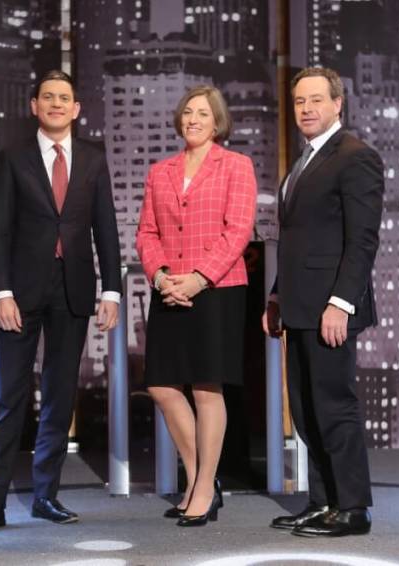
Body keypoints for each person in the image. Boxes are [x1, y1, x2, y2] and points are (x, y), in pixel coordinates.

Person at [0, 70, 122, 535]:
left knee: (58, 396)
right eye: (47, 97)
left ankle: (46, 495)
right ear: (34, 105)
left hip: (72, 289)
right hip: (21, 293)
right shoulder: (13, 157)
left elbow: (105, 228)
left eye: (64, 98)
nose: (55, 104)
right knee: (7, 396)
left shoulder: (93, 157)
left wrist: (111, 290)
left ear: (76, 108)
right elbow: (0, 230)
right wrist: (2, 292)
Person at [262, 66, 384, 537]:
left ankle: (352, 508)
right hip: (299, 306)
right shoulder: (305, 160)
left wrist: (341, 303)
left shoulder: (355, 157)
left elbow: (362, 241)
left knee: (335, 406)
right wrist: (276, 294)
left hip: (331, 308)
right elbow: (296, 239)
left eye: (316, 100)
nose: (306, 109)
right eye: (299, 101)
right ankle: (322, 500)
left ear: (338, 104)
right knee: (307, 408)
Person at [136, 85, 257, 527]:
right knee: (164, 387)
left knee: (208, 388)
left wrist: (199, 278)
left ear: (217, 121)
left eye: (202, 113)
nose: (193, 119)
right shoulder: (160, 171)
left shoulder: (236, 166)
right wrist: (162, 275)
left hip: (218, 288)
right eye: (187, 112)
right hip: (169, 286)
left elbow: (238, 230)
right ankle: (202, 477)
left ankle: (203, 487)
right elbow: (147, 232)